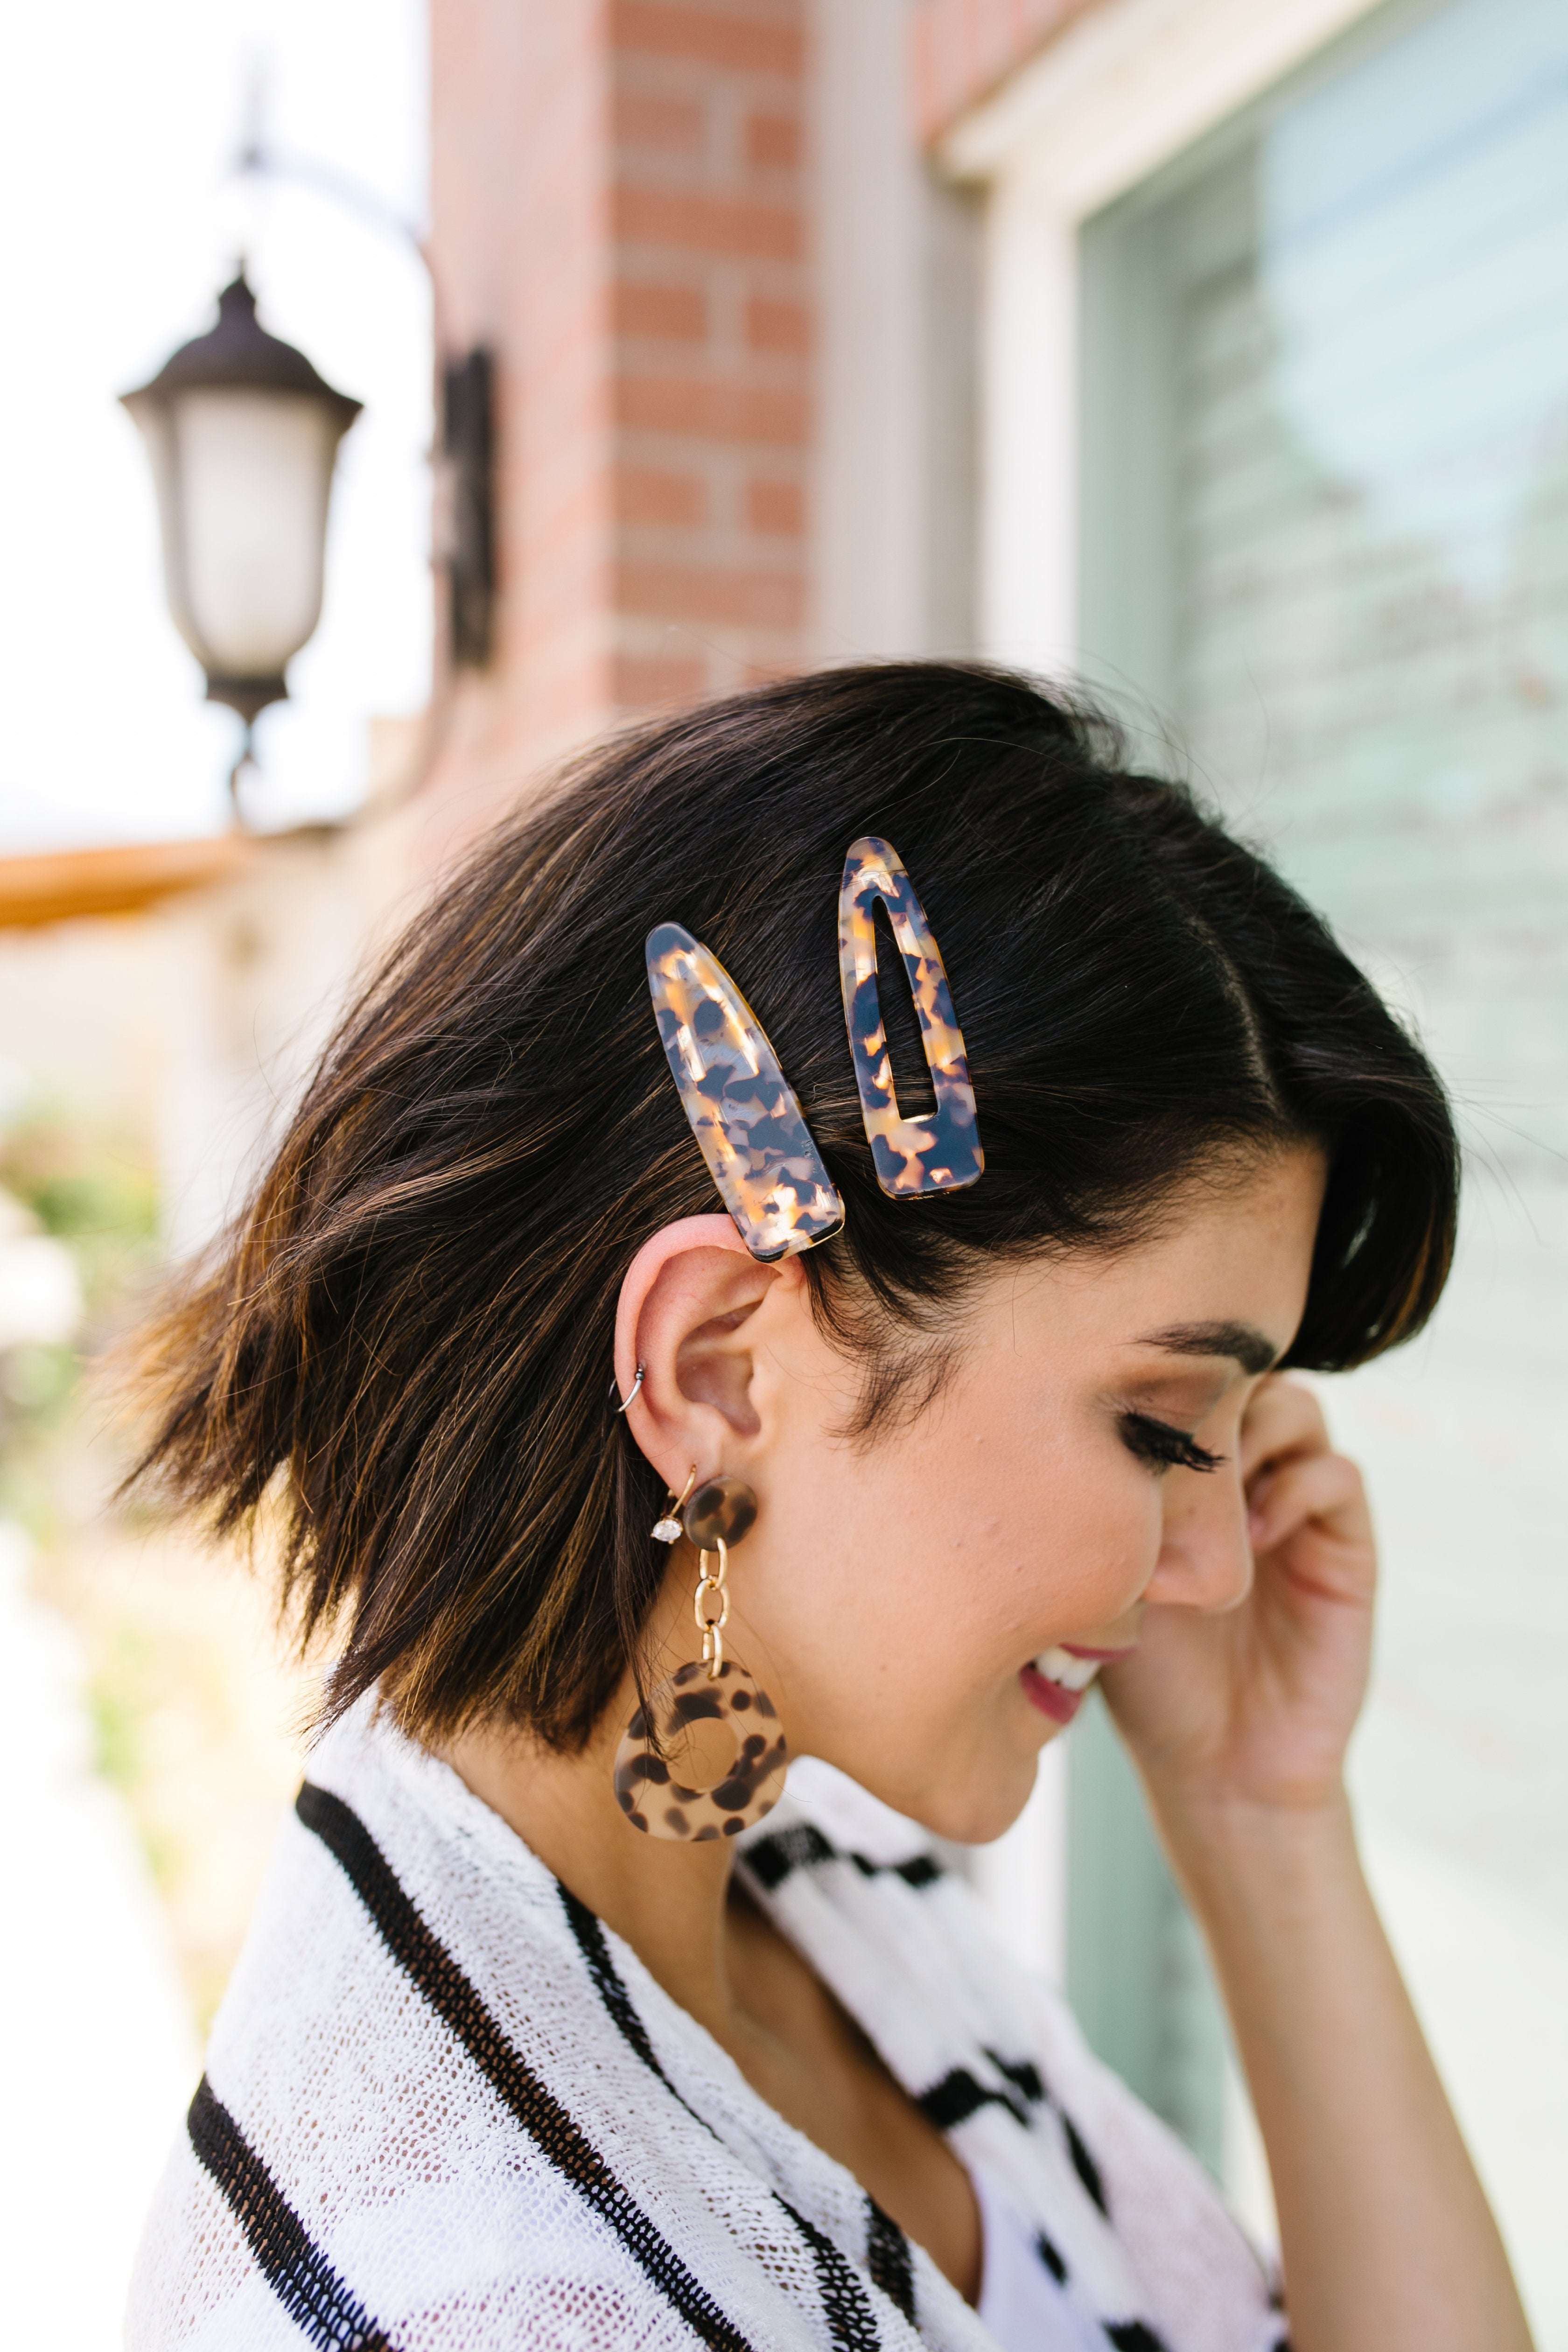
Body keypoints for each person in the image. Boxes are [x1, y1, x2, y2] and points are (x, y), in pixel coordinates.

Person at [122, 665, 1533, 2352]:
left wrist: (1260, 1821)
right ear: (719, 1370)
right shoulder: (487, 2297)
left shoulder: (820, 1900)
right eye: (1163, 1429)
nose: (1221, 1568)